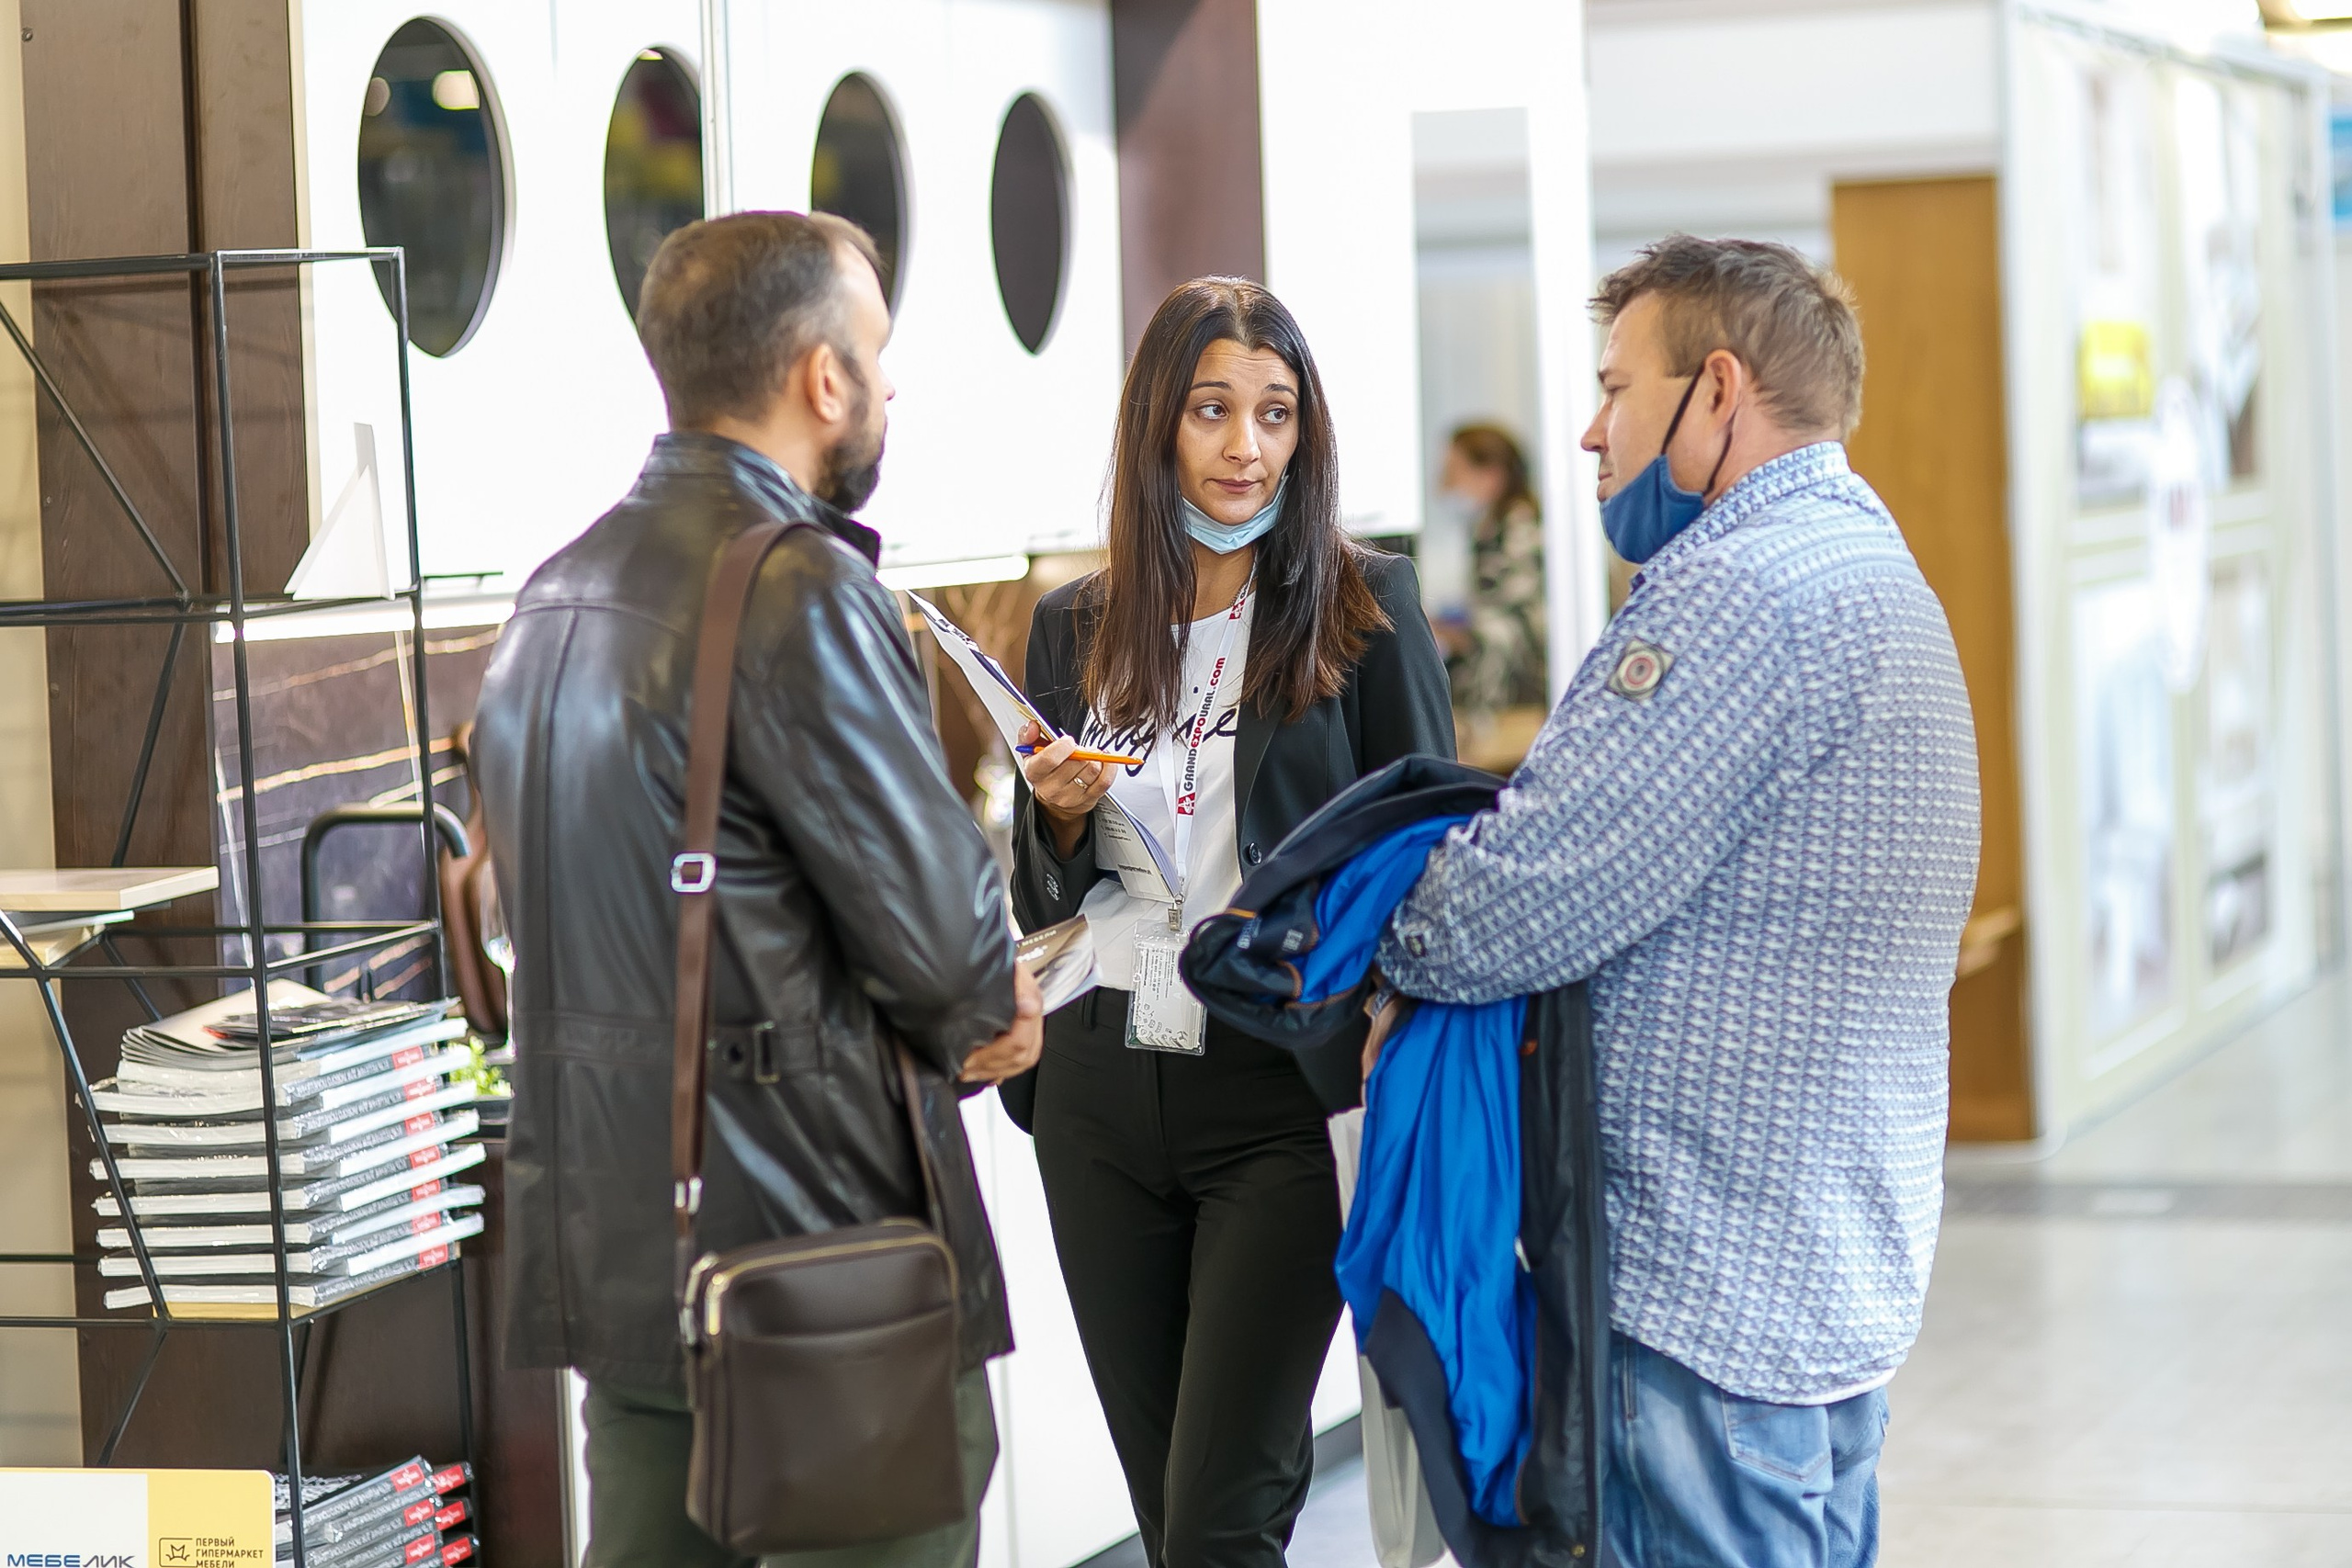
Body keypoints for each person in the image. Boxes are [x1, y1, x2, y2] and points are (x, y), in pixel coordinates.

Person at [1376, 236, 1980, 1568]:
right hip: (1823, 1272)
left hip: (1711, 1299)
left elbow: (1522, 900)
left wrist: (1383, 923)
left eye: (1614, 388)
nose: (1590, 433)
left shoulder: (1737, 596)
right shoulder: (1870, 563)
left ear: (1717, 391)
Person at [471, 210, 1044, 1568]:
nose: (891, 385)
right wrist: (997, 1001)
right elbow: (952, 955)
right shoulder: (797, 589)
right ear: (821, 376)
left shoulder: (551, 602)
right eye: (880, 351)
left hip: (624, 1259)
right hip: (817, 1274)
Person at [1006, 277, 1453, 1567]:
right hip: (1098, 1087)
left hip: (1278, 1095)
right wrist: (1048, 820)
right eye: (1212, 411)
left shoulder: (1367, 613)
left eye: (1274, 412)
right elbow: (1053, 902)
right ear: (1160, 424)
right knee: (1170, 1522)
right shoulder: (1073, 625)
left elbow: (1425, 868)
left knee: (1222, 1523)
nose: (1246, 445)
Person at [1433, 422, 1546, 716]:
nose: (1444, 485)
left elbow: (1508, 621)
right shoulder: (1489, 529)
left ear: (1493, 475)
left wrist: (1454, 634)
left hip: (1526, 690)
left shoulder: (1521, 529)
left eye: (1454, 471)